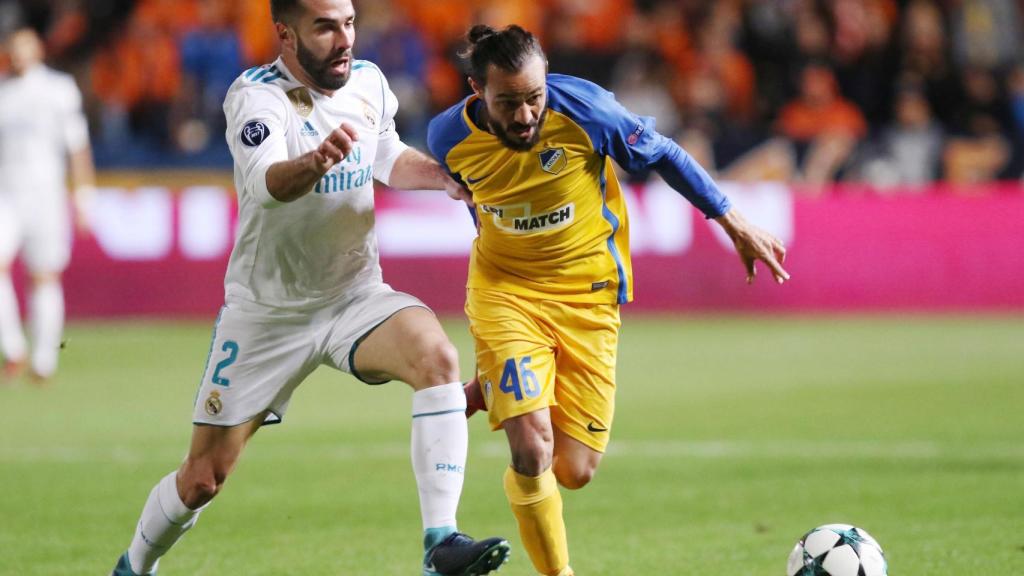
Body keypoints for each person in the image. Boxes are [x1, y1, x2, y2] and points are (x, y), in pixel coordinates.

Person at [109, 2, 510, 575]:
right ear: (286, 34)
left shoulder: (369, 82)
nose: (343, 38)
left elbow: (386, 155)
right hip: (267, 315)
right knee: (202, 479)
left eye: (348, 23)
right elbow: (269, 184)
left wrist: (445, 179)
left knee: (437, 357)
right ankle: (133, 567)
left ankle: (439, 543)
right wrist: (316, 161)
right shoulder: (255, 98)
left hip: (354, 296)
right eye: (325, 26)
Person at [427, 25, 789, 576]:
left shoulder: (588, 111)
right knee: (532, 445)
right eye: (508, 103)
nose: (525, 115)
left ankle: (496, 383)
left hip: (587, 294)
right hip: (505, 291)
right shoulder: (446, 137)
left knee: (574, 469)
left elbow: (664, 153)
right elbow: (478, 202)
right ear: (477, 90)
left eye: (534, 98)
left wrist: (732, 221)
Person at [0, 27, 95, 384]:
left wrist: (84, 196)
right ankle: (13, 348)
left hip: (46, 195)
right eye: (13, 48)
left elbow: (77, 147)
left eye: (25, 47)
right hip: (5, 194)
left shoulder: (58, 89)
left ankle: (43, 360)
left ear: (37, 49)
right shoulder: (2, 94)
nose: (19, 54)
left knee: (44, 276)